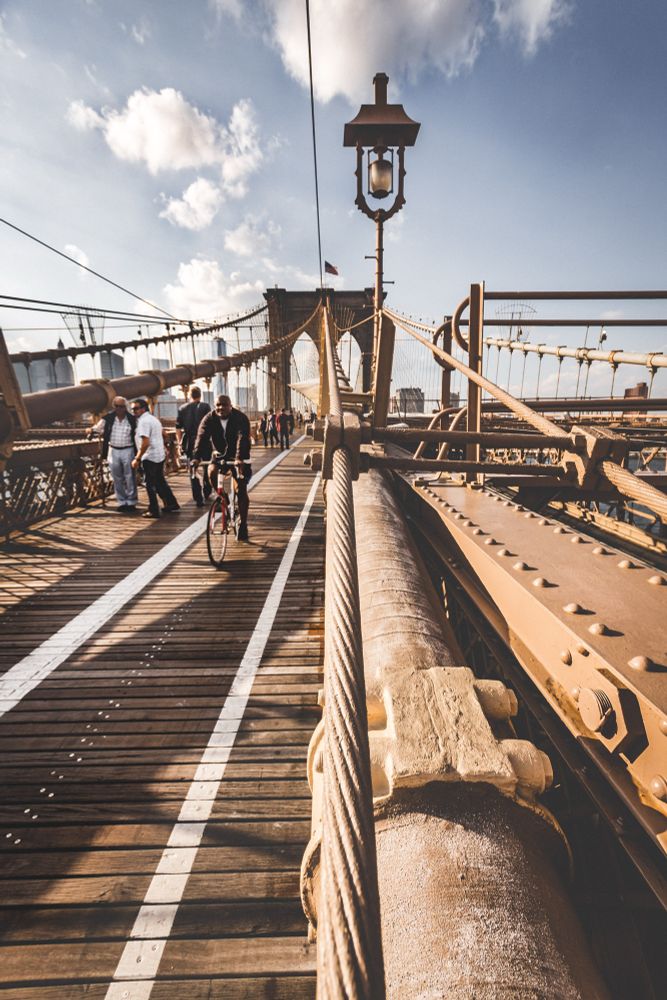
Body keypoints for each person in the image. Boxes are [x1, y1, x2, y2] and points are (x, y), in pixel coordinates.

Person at [192, 394, 252, 541]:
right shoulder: (209, 418)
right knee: (211, 471)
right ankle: (223, 499)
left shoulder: (240, 418)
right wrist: (196, 457)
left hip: (239, 457)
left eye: (224, 405)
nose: (221, 408)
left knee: (240, 489)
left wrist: (239, 458)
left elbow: (242, 438)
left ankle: (243, 524)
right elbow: (201, 436)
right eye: (218, 405)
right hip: (219, 456)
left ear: (231, 405)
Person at [130, 399, 180, 519]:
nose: (133, 411)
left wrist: (137, 458)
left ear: (143, 408)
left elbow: (145, 442)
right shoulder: (153, 419)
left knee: (149, 484)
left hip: (149, 456)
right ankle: (172, 503)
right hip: (159, 455)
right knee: (160, 481)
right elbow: (165, 434)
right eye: (132, 409)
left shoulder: (143, 422)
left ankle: (154, 510)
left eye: (136, 408)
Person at [90, 396, 138, 513]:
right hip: (113, 450)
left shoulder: (132, 419)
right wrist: (90, 430)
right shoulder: (108, 419)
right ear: (114, 407)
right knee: (117, 477)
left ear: (125, 407)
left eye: (121, 406)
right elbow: (97, 429)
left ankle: (131, 502)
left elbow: (139, 433)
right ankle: (122, 502)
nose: (119, 409)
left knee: (130, 476)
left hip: (128, 449)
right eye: (116, 406)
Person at [176, 386, 211, 507]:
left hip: (190, 443)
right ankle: (207, 491)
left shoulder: (182, 408)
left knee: (193, 469)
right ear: (200, 395)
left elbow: (178, 428)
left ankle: (198, 498)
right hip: (205, 442)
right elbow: (211, 424)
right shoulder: (205, 407)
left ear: (190, 395)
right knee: (207, 468)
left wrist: (180, 443)